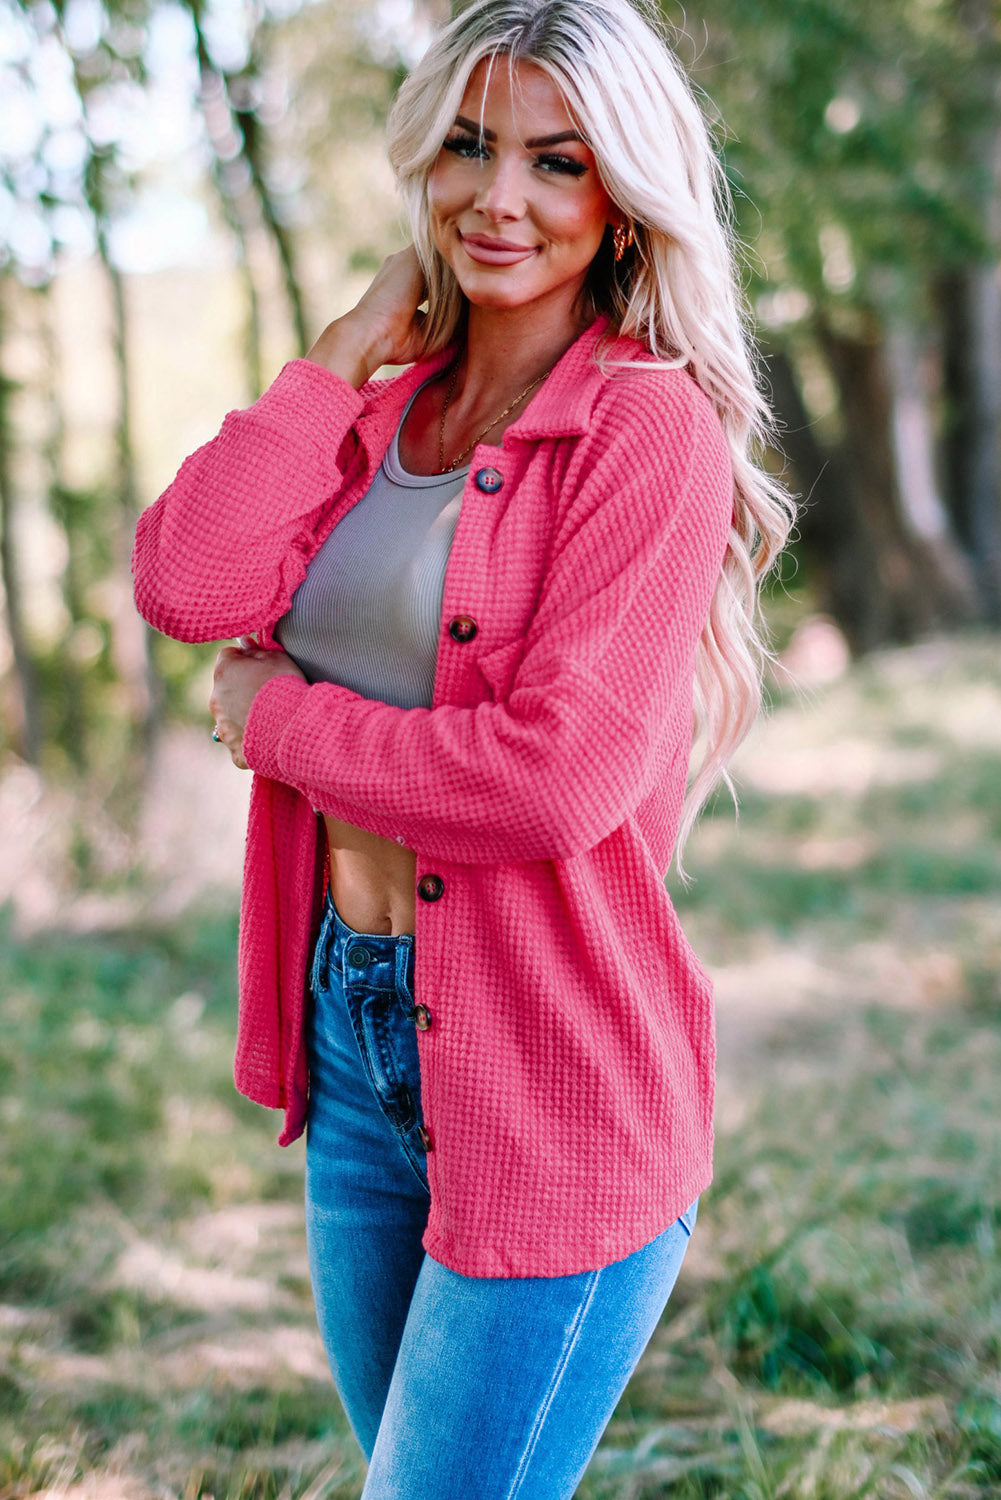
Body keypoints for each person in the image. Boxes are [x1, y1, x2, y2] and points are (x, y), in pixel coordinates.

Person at [133, 0, 794, 1492]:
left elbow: (550, 780)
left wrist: (279, 722)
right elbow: (186, 583)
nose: (498, 197)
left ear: (621, 200)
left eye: (556, 162)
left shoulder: (645, 433)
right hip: (354, 1034)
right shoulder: (381, 416)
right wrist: (337, 357)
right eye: (467, 146)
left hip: (556, 1073)